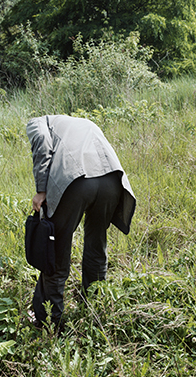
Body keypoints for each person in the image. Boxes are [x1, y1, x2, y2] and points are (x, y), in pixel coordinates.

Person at [26, 115, 136, 329]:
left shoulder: (38, 122)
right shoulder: (83, 122)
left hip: (76, 182)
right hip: (111, 181)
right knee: (97, 244)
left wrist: (41, 190)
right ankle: (94, 309)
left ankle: (49, 323)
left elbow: (40, 140)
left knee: (55, 251)